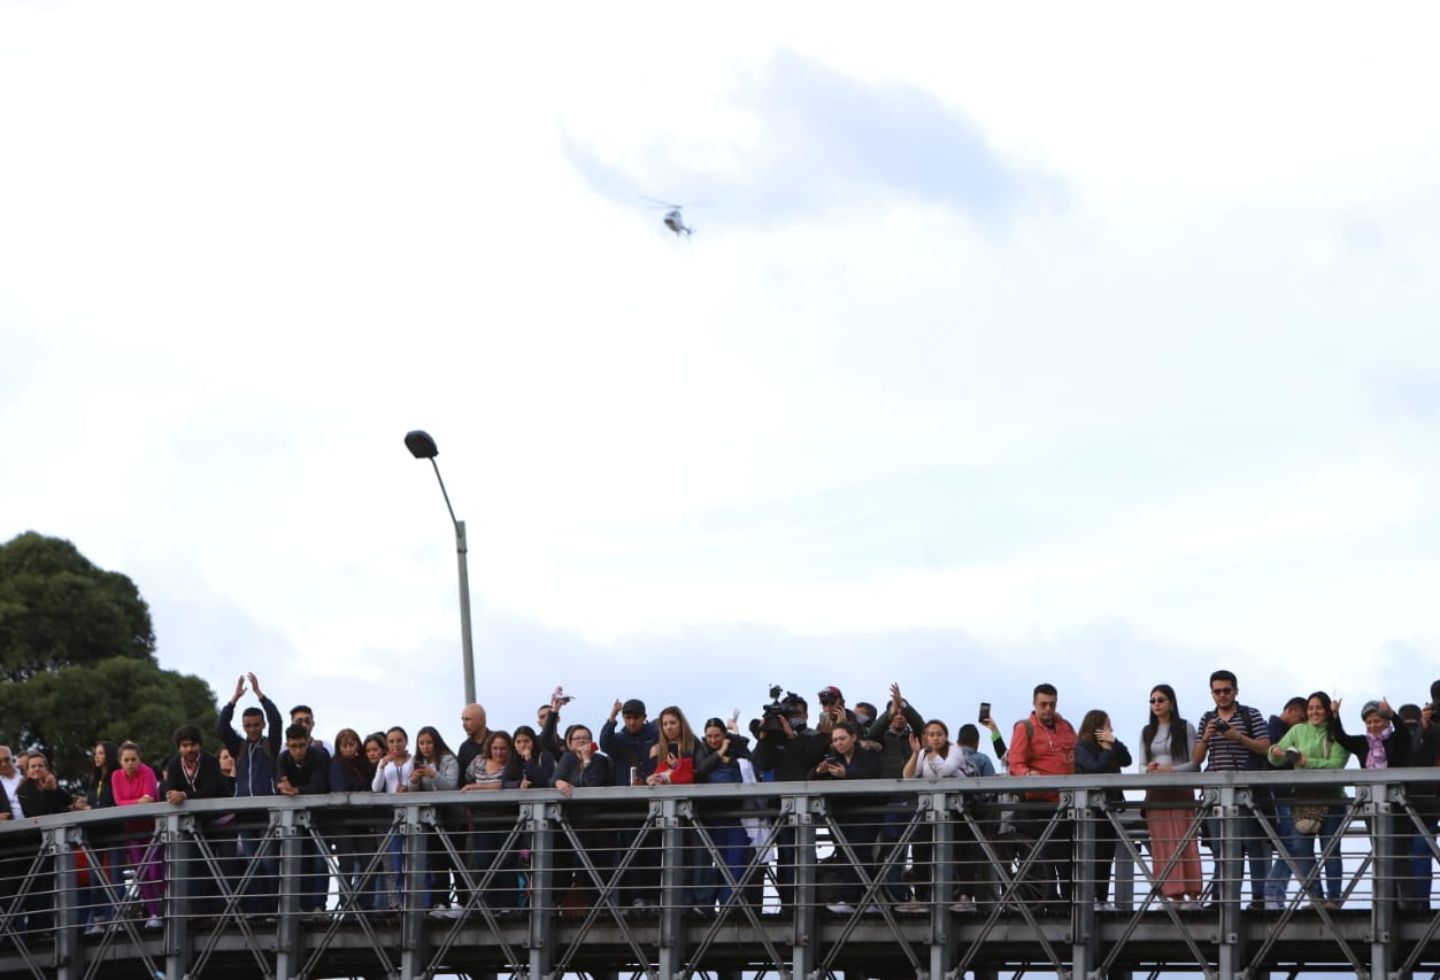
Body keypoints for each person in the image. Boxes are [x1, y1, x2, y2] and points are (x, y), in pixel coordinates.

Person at [1193, 670, 1272, 910]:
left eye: (1227, 690)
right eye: (1217, 691)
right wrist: (1206, 737)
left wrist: (1238, 737)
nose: (1222, 695)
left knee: (1253, 843)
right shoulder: (1207, 718)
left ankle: (1259, 897)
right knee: (1220, 847)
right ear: (1211, 693)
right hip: (1215, 794)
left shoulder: (1251, 715)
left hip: (1246, 793)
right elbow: (1196, 759)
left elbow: (1265, 747)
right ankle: (1222, 899)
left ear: (1236, 690)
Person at [1266, 692, 1352, 910]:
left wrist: (1306, 761)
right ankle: (1317, 899)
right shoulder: (1297, 730)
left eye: (1319, 708)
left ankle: (1333, 900)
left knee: (1330, 850)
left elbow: (1336, 764)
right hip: (1302, 799)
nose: (1314, 711)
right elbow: (1275, 758)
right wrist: (1275, 752)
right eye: (1311, 708)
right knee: (1300, 849)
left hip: (1332, 799)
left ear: (1327, 711)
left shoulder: (1336, 734)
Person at [752, 694, 831, 909]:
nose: (792, 718)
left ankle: (809, 905)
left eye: (796, 714)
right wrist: (764, 736)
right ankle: (788, 905)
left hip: (807, 808)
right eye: (789, 715)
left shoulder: (811, 738)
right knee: (786, 857)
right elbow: (760, 763)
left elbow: (808, 759)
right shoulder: (772, 740)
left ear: (805, 714)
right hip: (780, 808)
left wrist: (792, 737)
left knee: (805, 855)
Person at [215, 672, 284, 913]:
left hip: (266, 814)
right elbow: (222, 728)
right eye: (248, 726)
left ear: (261, 725)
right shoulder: (240, 748)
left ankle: (275, 908)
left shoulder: (270, 745)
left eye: (256, 725)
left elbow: (277, 721)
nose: (252, 729)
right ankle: (259, 911)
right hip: (245, 814)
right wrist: (234, 699)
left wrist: (259, 694)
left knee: (268, 863)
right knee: (253, 865)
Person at [1009, 683, 1078, 911]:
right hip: (1036, 805)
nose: (1048, 709)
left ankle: (1068, 904)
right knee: (1038, 859)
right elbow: (1015, 763)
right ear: (1034, 704)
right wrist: (1028, 774)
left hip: (1065, 804)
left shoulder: (1066, 726)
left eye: (1052, 704)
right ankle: (1042, 905)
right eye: (1043, 704)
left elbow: (1075, 756)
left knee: (1067, 857)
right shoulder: (1025, 727)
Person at [903, 720, 979, 913]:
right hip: (931, 809)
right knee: (920, 847)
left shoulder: (955, 750)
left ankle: (966, 897)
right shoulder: (923, 753)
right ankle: (920, 897)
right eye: (931, 734)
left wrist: (931, 754)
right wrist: (915, 754)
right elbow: (908, 777)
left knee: (961, 850)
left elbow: (946, 771)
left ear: (945, 736)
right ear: (925, 737)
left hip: (957, 808)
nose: (935, 738)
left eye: (939, 734)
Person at [1140, 684, 1203, 909]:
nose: (1156, 704)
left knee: (1185, 840)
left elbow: (1195, 764)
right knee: (1162, 844)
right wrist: (1149, 768)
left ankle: (1193, 895)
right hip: (1156, 794)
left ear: (1171, 703)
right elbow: (1140, 766)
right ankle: (1172, 895)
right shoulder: (1147, 732)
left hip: (1180, 791)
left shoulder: (1185, 728)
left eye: (1161, 700)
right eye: (1153, 700)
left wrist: (1172, 771)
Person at [813, 719, 882, 914]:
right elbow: (810, 779)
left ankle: (856, 898)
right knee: (846, 854)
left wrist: (847, 774)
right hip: (842, 814)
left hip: (868, 812)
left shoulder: (869, 755)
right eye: (835, 740)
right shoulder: (834, 757)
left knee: (859, 851)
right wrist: (819, 772)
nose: (838, 743)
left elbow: (873, 775)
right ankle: (863, 899)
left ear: (853, 737)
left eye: (842, 738)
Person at [160, 724, 228, 916]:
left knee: (224, 866)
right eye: (184, 745)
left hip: (220, 822)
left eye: (192, 745)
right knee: (195, 868)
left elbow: (212, 790)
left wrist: (185, 796)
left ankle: (224, 911)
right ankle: (200, 913)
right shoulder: (174, 764)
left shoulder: (210, 761)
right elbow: (169, 789)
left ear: (199, 745)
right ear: (179, 747)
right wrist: (175, 795)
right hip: (192, 827)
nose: (189, 749)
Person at [693, 718, 759, 910]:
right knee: (710, 867)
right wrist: (720, 754)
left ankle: (729, 908)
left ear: (724, 735)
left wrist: (728, 760)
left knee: (735, 865)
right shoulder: (701, 750)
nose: (713, 740)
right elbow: (699, 771)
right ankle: (707, 906)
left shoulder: (738, 747)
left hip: (737, 816)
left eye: (717, 736)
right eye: (709, 736)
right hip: (710, 817)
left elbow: (753, 769)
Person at [600, 698, 659, 908]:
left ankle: (653, 896)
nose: (632, 722)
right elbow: (604, 742)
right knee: (631, 852)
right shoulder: (619, 739)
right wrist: (612, 716)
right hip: (627, 806)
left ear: (644, 717)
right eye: (628, 718)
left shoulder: (654, 736)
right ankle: (636, 897)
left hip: (653, 802)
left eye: (636, 718)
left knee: (653, 852)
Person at [1073, 710, 1132, 912]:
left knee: (1107, 853)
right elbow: (1095, 769)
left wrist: (1113, 742)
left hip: (1110, 807)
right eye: (1108, 725)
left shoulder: (1110, 744)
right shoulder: (1082, 747)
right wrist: (1107, 750)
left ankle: (1102, 898)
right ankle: (1091, 898)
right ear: (1097, 727)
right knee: (1092, 852)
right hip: (1091, 811)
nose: (1111, 729)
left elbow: (1127, 759)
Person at [552, 724, 616, 905]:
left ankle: (605, 908)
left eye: (585, 737)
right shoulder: (567, 759)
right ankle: (590, 908)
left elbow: (594, 783)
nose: (581, 740)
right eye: (577, 738)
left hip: (601, 824)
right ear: (570, 743)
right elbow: (553, 779)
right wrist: (558, 782)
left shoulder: (600, 760)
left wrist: (587, 761)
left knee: (603, 869)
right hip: (577, 824)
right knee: (583, 870)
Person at [460, 730, 523, 910]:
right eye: (495, 748)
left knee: (506, 862)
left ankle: (509, 907)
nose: (498, 752)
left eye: (503, 748)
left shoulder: (513, 764)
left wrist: (478, 787)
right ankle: (488, 907)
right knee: (484, 862)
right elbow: (467, 778)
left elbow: (508, 784)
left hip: (507, 819)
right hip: (482, 820)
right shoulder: (478, 761)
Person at [277, 722, 332, 912]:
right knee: (300, 861)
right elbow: (281, 785)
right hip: (295, 821)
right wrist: (289, 789)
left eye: (301, 745)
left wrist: (296, 790)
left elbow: (319, 786)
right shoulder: (283, 758)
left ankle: (318, 905)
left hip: (320, 818)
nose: (297, 750)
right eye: (293, 746)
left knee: (319, 861)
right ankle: (302, 906)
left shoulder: (320, 756)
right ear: (287, 744)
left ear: (308, 742)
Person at [111, 741, 163, 929]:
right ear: (120, 762)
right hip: (132, 831)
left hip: (152, 829)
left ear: (140, 759)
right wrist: (137, 802)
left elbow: (149, 799)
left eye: (134, 759)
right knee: (141, 873)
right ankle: (154, 914)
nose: (130, 763)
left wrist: (133, 802)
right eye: (126, 760)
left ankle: (166, 908)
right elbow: (118, 802)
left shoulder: (147, 772)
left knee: (155, 870)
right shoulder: (116, 776)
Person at [409, 725, 461, 915]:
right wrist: (413, 780)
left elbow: (451, 786)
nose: (425, 747)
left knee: (456, 862)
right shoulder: (417, 762)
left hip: (452, 819)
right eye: (421, 743)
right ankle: (441, 902)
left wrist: (434, 775)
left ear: (436, 742)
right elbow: (412, 793)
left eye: (429, 742)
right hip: (430, 821)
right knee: (437, 862)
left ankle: (462, 902)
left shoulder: (449, 759)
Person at [328, 728, 376, 915]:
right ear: (339, 747)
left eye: (351, 744)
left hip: (362, 820)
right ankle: (346, 904)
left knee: (369, 861)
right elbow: (340, 788)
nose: (348, 749)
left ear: (357, 745)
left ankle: (365, 904)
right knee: (346, 863)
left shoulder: (363, 765)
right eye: (344, 745)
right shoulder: (336, 764)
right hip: (342, 821)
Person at [371, 726, 414, 911]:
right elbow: (376, 788)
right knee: (395, 863)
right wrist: (381, 767)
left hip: (412, 818)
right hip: (394, 819)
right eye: (391, 741)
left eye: (399, 740)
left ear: (405, 741)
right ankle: (398, 902)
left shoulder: (413, 760)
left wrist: (409, 788)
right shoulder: (385, 763)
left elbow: (417, 783)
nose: (396, 744)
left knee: (413, 861)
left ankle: (414, 902)